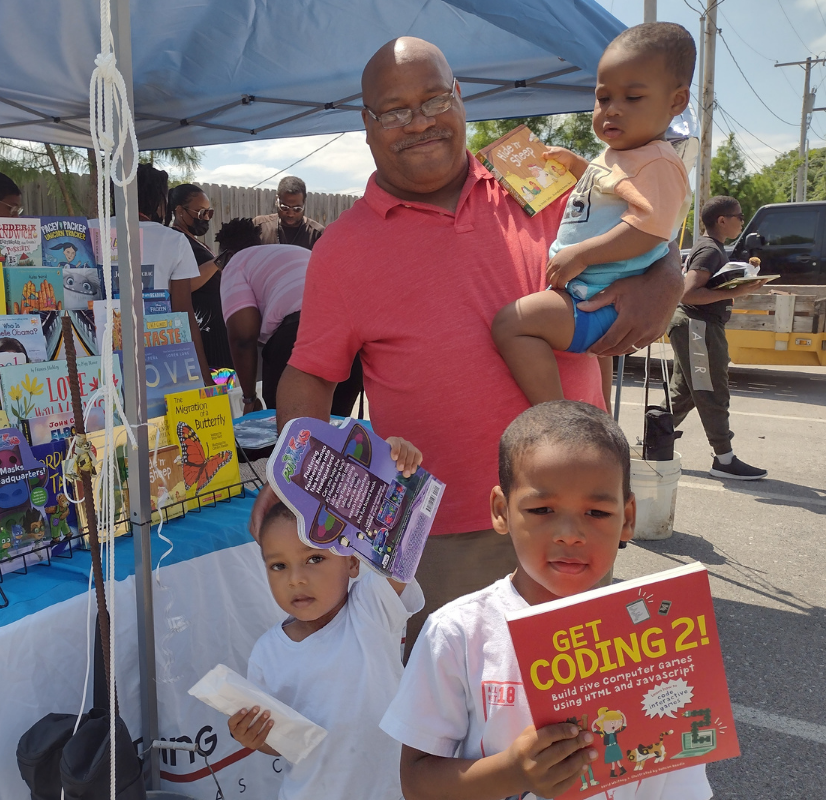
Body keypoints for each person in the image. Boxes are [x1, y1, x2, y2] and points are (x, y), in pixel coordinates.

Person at [255, 36, 685, 655]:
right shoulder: (343, 248)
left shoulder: (533, 172)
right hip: (435, 536)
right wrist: (296, 477)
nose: (420, 122)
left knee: (570, 716)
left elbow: (647, 224)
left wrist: (667, 276)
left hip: (569, 514)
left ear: (460, 98)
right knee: (454, 727)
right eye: (395, 111)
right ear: (367, 126)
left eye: (434, 99)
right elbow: (309, 376)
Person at [381, 401, 711, 800]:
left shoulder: (659, 641)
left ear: (627, 518)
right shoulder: (458, 633)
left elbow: (679, 783)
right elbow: (416, 782)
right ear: (502, 511)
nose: (570, 534)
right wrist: (512, 772)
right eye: (542, 509)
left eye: (596, 512)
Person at [492, 22, 693, 407]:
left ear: (676, 102)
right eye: (603, 98)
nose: (612, 109)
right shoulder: (624, 158)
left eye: (633, 97)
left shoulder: (658, 163)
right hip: (591, 294)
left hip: (599, 298)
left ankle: (553, 414)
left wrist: (582, 254)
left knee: (512, 325)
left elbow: (650, 230)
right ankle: (595, 418)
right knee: (597, 377)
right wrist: (579, 166)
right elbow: (610, 191)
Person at [229, 479, 425, 800]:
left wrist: (397, 472)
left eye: (314, 559)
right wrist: (252, 736)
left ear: (351, 561)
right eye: (278, 566)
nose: (296, 579)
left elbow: (405, 539)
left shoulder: (371, 609)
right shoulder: (267, 653)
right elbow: (280, 740)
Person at [667, 195, 770, 480]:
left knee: (685, 393)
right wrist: (737, 292)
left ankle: (654, 443)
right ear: (722, 220)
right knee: (712, 391)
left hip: (697, 326)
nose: (741, 220)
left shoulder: (712, 248)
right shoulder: (710, 250)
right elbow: (688, 292)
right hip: (697, 326)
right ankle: (724, 460)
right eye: (739, 215)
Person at [216, 217, 363, 415]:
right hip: (349, 338)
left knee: (291, 437)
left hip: (297, 335)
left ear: (228, 254)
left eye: (219, 262)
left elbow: (242, 338)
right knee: (333, 435)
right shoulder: (293, 252)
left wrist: (249, 398)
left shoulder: (236, 263)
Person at [136, 165, 210, 373]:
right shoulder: (173, 240)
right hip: (159, 357)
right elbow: (183, 311)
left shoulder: (92, 229)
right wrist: (203, 374)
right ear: (161, 202)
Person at [168, 184, 232, 372]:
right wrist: (218, 262)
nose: (205, 218)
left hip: (217, 326)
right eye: (201, 212)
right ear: (180, 211)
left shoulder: (192, 240)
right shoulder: (176, 240)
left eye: (209, 213)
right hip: (204, 328)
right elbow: (183, 285)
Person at [253, 176, 326, 250]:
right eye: (285, 208)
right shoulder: (259, 226)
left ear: (304, 203)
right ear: (277, 200)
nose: (290, 214)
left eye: (297, 209)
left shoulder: (317, 234)